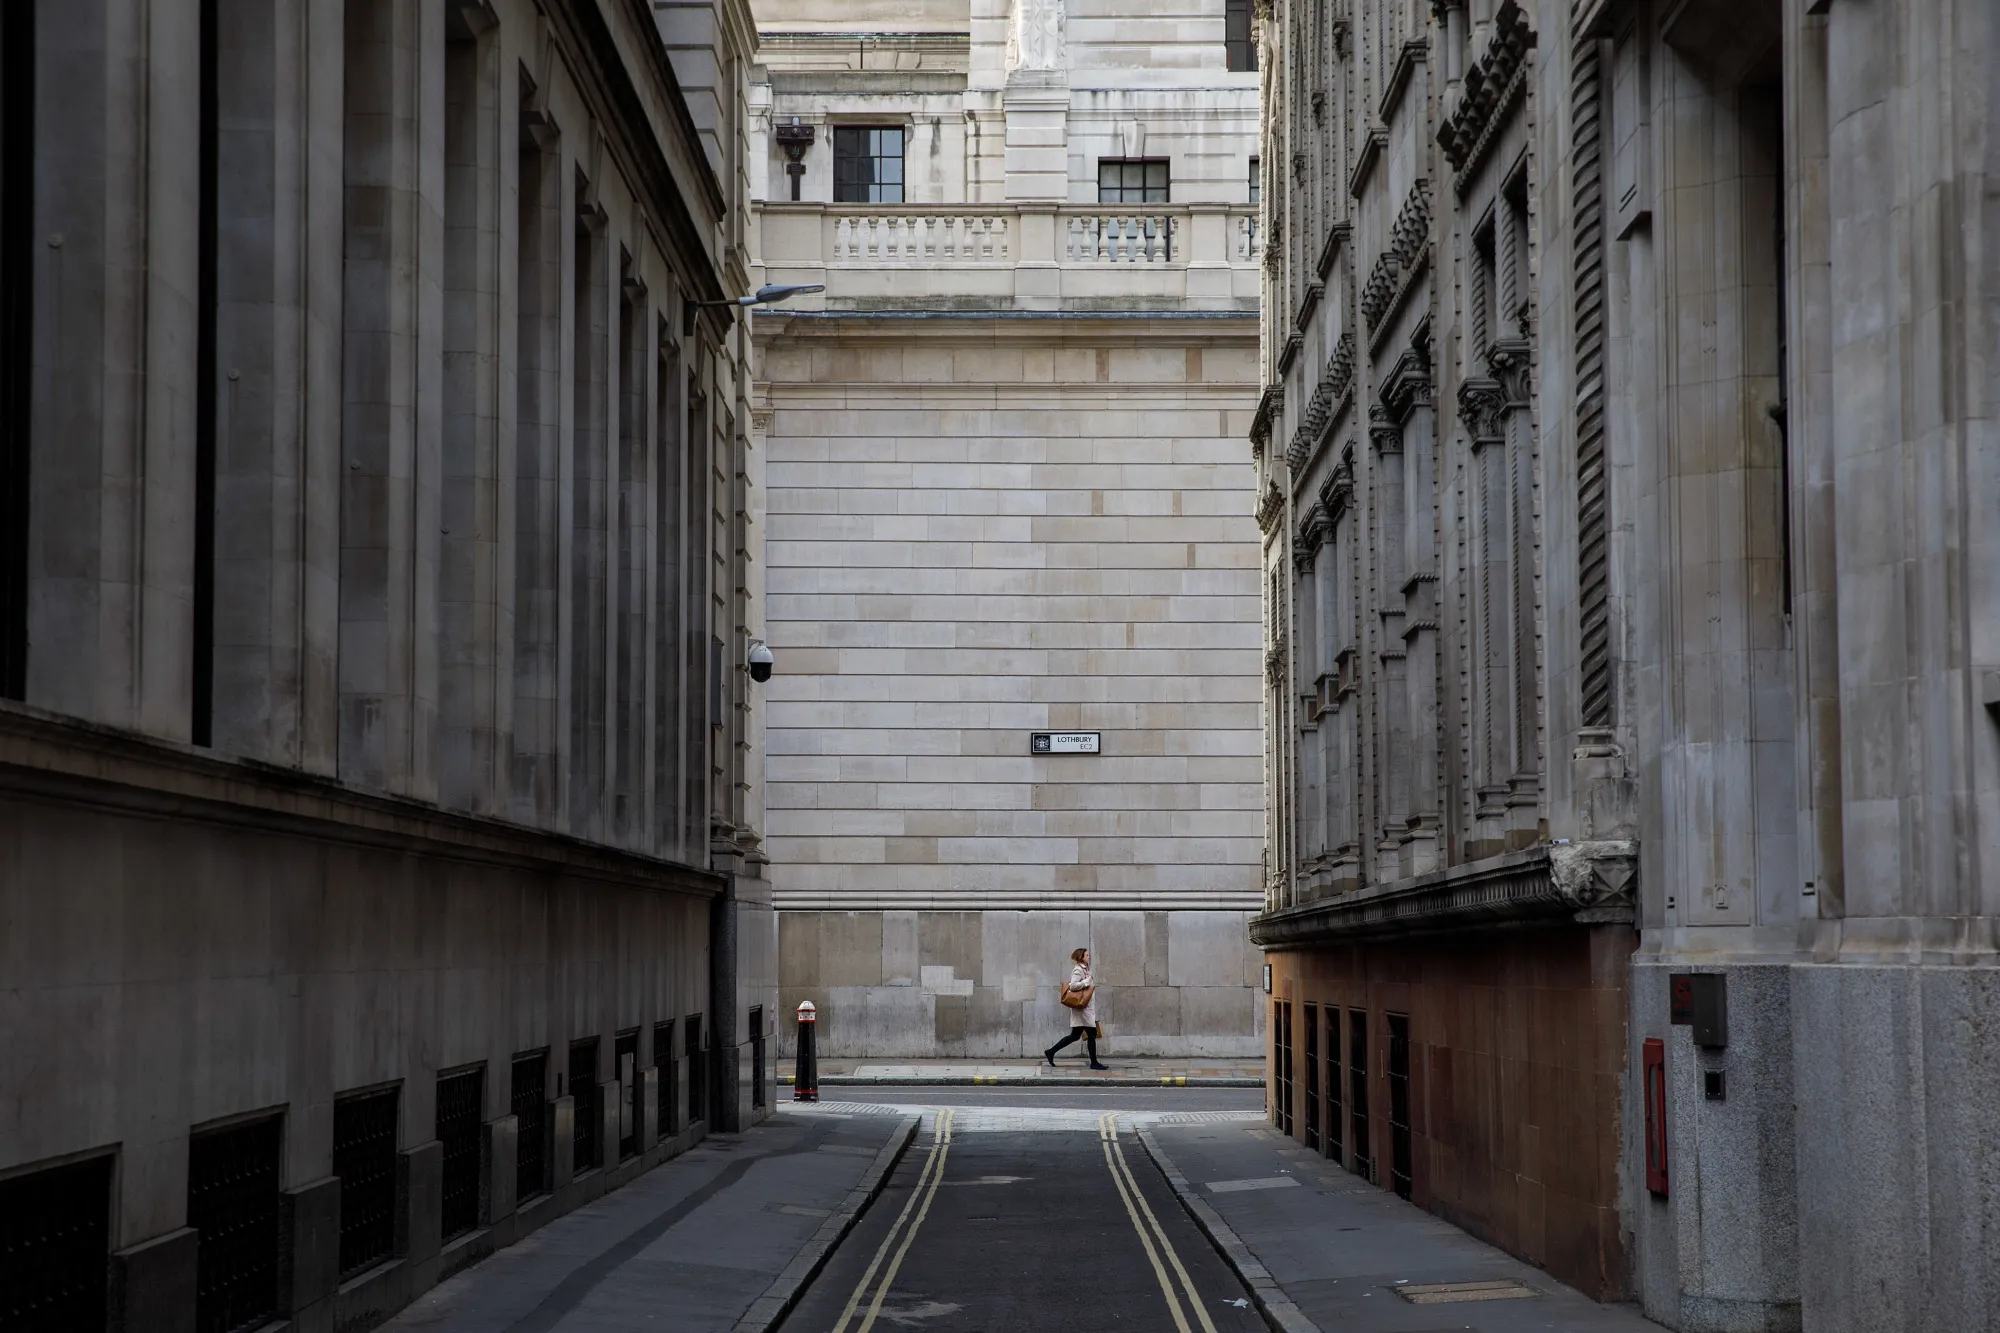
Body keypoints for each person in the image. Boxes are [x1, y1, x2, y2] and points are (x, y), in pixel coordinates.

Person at [1045, 946, 1107, 1069]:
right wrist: (1086, 982)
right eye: (1087, 955)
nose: (1089, 957)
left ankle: (1051, 1051)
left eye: (1089, 955)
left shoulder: (1086, 969)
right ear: (1081, 957)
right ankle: (1094, 1063)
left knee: (1075, 1035)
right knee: (1092, 1033)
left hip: (1085, 1008)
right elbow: (1073, 986)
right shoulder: (1078, 970)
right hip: (1082, 1009)